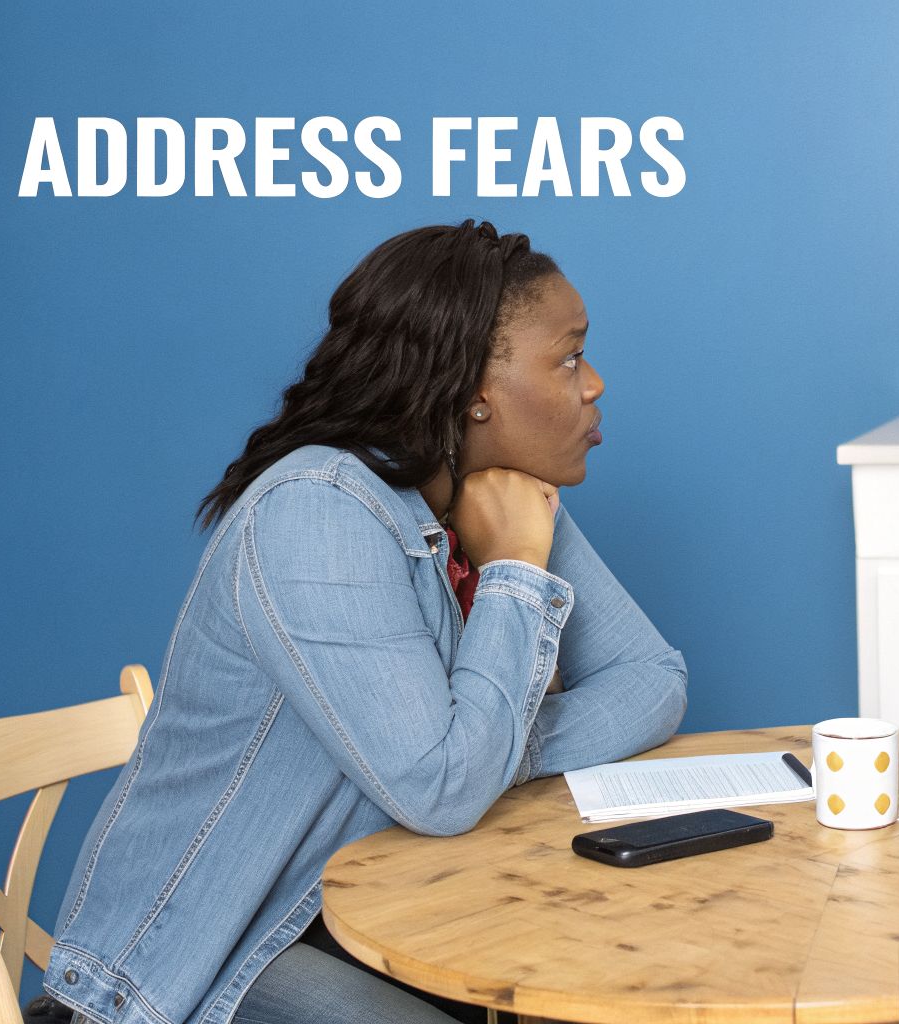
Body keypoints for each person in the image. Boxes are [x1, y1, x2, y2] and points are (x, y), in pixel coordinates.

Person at [40, 221, 688, 1024]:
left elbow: (653, 680)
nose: (592, 384)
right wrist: (515, 572)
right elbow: (445, 789)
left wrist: (485, 751)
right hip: (213, 958)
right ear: (473, 390)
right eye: (567, 357)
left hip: (376, 902)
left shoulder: (501, 491)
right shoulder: (316, 512)